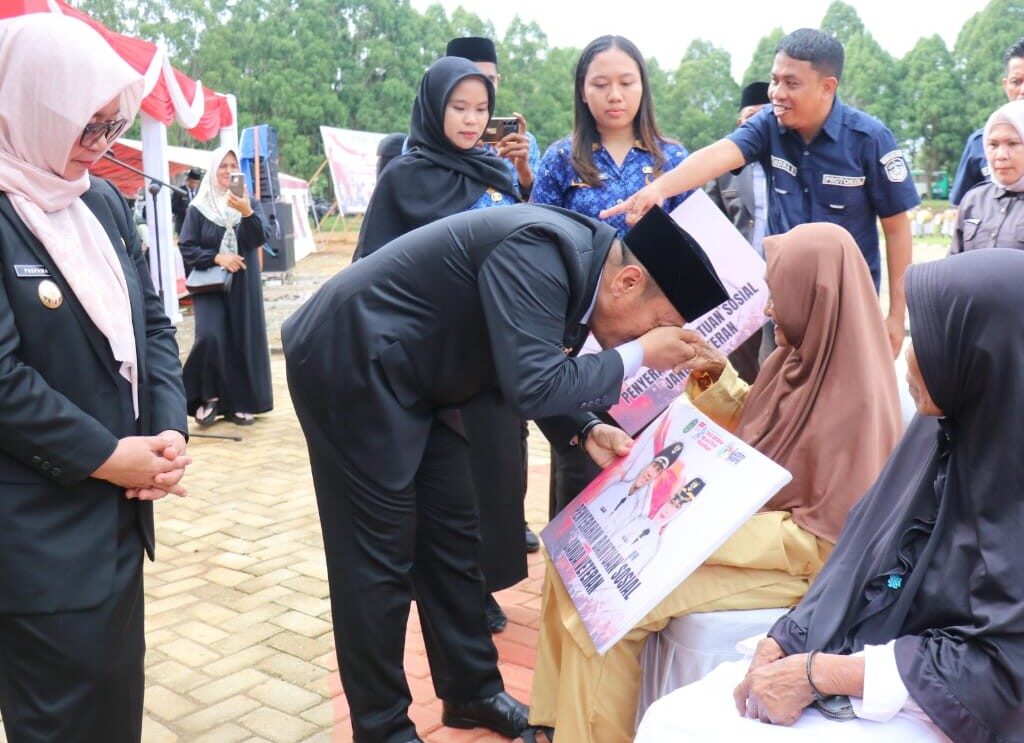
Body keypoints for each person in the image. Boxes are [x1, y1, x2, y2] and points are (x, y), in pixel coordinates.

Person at [281, 203, 729, 743]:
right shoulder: (540, 251)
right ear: (629, 281)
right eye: (662, 326)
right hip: (353, 363)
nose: (658, 340)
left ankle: (470, 692)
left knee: (452, 534)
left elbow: (522, 357)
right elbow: (534, 381)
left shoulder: (580, 263)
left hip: (423, 375)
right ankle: (381, 729)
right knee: (377, 558)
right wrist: (639, 353)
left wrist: (585, 429)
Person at [528, 223, 904, 743]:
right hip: (756, 526)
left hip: (808, 558)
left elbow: (827, 534)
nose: (770, 310)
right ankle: (550, 722)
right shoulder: (798, 358)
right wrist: (712, 373)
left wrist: (691, 525)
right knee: (575, 559)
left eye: (780, 295)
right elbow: (761, 420)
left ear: (813, 295)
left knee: (616, 603)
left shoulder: (858, 397)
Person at [638, 248, 1024, 743]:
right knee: (675, 720)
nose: (907, 354)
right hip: (880, 654)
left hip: (953, 701)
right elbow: (865, 551)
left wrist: (822, 674)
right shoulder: (936, 431)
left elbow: (1001, 669)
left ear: (980, 357)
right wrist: (786, 638)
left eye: (928, 340)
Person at [0, 15, 190, 742]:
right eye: (89, 127)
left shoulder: (99, 200)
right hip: (40, 537)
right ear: (34, 106)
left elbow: (154, 325)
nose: (103, 146)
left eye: (115, 127)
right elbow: (4, 381)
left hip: (116, 520)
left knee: (114, 710)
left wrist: (168, 426)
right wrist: (111, 456)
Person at [603, 28, 920, 358]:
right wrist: (659, 189)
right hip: (783, 306)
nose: (777, 93)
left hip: (849, 306)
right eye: (775, 79)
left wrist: (896, 316)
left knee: (849, 402)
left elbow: (897, 229)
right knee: (777, 398)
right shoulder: (770, 124)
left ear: (827, 87)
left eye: (791, 83)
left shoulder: (869, 138)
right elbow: (719, 153)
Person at [354, 55, 525, 632]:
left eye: (482, 109)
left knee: (496, 480)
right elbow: (371, 270)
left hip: (492, 354)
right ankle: (454, 593)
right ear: (433, 107)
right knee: (450, 493)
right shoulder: (405, 177)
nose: (472, 120)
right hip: (432, 360)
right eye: (459, 107)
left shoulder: (495, 172)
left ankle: (483, 585)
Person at [531, 34, 692, 519]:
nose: (614, 95)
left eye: (626, 82)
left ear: (643, 88)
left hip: (655, 334)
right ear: (583, 91)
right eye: (601, 84)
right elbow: (536, 239)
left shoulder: (671, 161)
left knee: (652, 460)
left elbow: (696, 248)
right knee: (583, 456)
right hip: (581, 334)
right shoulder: (562, 159)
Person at [447, 33, 544, 563]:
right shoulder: (417, 160)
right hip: (447, 335)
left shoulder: (510, 158)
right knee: (456, 457)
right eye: (462, 97)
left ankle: (506, 528)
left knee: (507, 438)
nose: (475, 110)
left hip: (504, 326)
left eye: (488, 88)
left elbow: (537, 221)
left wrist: (524, 171)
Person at [178, 147, 272, 427]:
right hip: (210, 282)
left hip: (243, 282)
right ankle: (208, 396)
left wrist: (246, 212)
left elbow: (259, 238)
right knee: (210, 336)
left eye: (233, 165)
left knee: (242, 337)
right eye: (222, 165)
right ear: (212, 169)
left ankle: (241, 403)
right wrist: (217, 257)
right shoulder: (199, 207)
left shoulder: (248, 201)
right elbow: (187, 246)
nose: (228, 170)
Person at [705, 81, 772, 383]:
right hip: (740, 288)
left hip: (784, 282)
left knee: (778, 367)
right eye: (750, 115)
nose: (755, 121)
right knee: (742, 370)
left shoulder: (793, 166)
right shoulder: (722, 168)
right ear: (740, 121)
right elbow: (708, 225)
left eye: (764, 114)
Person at [950, 38, 1024, 206]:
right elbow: (963, 207)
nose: (1022, 90)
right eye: (1016, 82)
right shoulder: (980, 142)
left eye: (1013, 144)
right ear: (1005, 86)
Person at [950, 99, 1024, 253]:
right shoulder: (973, 201)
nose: (1001, 155)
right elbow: (952, 267)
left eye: (1012, 143)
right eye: (993, 145)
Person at [171, 167, 201, 235]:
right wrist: (184, 210)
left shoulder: (199, 193)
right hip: (182, 226)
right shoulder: (179, 191)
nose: (194, 185)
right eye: (193, 182)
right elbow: (173, 208)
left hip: (196, 226)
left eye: (197, 183)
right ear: (188, 180)